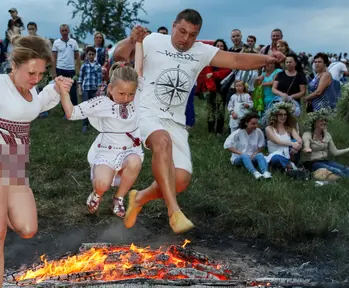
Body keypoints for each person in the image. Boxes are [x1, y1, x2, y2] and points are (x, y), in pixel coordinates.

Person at [112, 8, 285, 234]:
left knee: (180, 180)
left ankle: (139, 198)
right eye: (182, 31)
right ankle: (174, 212)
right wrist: (131, 39)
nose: (186, 39)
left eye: (192, 34)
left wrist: (269, 58)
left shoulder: (201, 51)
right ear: (173, 26)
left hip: (176, 120)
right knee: (161, 141)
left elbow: (236, 59)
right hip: (146, 111)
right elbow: (119, 56)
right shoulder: (153, 40)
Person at [0, 33, 73, 288]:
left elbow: (39, 103)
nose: (35, 79)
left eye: (40, 74)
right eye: (31, 73)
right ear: (15, 65)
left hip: (15, 164)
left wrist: (55, 88)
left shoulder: (32, 90)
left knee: (27, 227)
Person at [60, 38, 145, 218]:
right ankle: (97, 194)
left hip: (129, 150)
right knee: (102, 183)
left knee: (135, 161)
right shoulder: (101, 103)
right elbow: (72, 113)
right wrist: (63, 92)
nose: (127, 97)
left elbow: (139, 70)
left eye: (131, 93)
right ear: (111, 89)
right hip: (106, 151)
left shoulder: (136, 98)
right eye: (121, 93)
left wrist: (139, 42)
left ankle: (119, 198)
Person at [302, 110, 349, 184]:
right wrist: (307, 148)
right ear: (314, 122)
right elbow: (306, 143)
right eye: (321, 120)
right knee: (335, 170)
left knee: (345, 168)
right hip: (312, 163)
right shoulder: (307, 134)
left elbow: (335, 152)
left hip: (324, 161)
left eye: (325, 120)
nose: (324, 122)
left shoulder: (327, 135)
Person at [224, 112, 272, 179]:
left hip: (252, 157)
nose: (255, 126)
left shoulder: (258, 132)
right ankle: (255, 173)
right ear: (246, 123)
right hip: (238, 158)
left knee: (260, 155)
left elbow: (262, 146)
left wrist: (255, 153)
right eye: (253, 124)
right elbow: (226, 145)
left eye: (256, 123)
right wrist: (241, 153)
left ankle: (265, 172)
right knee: (244, 156)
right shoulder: (238, 132)